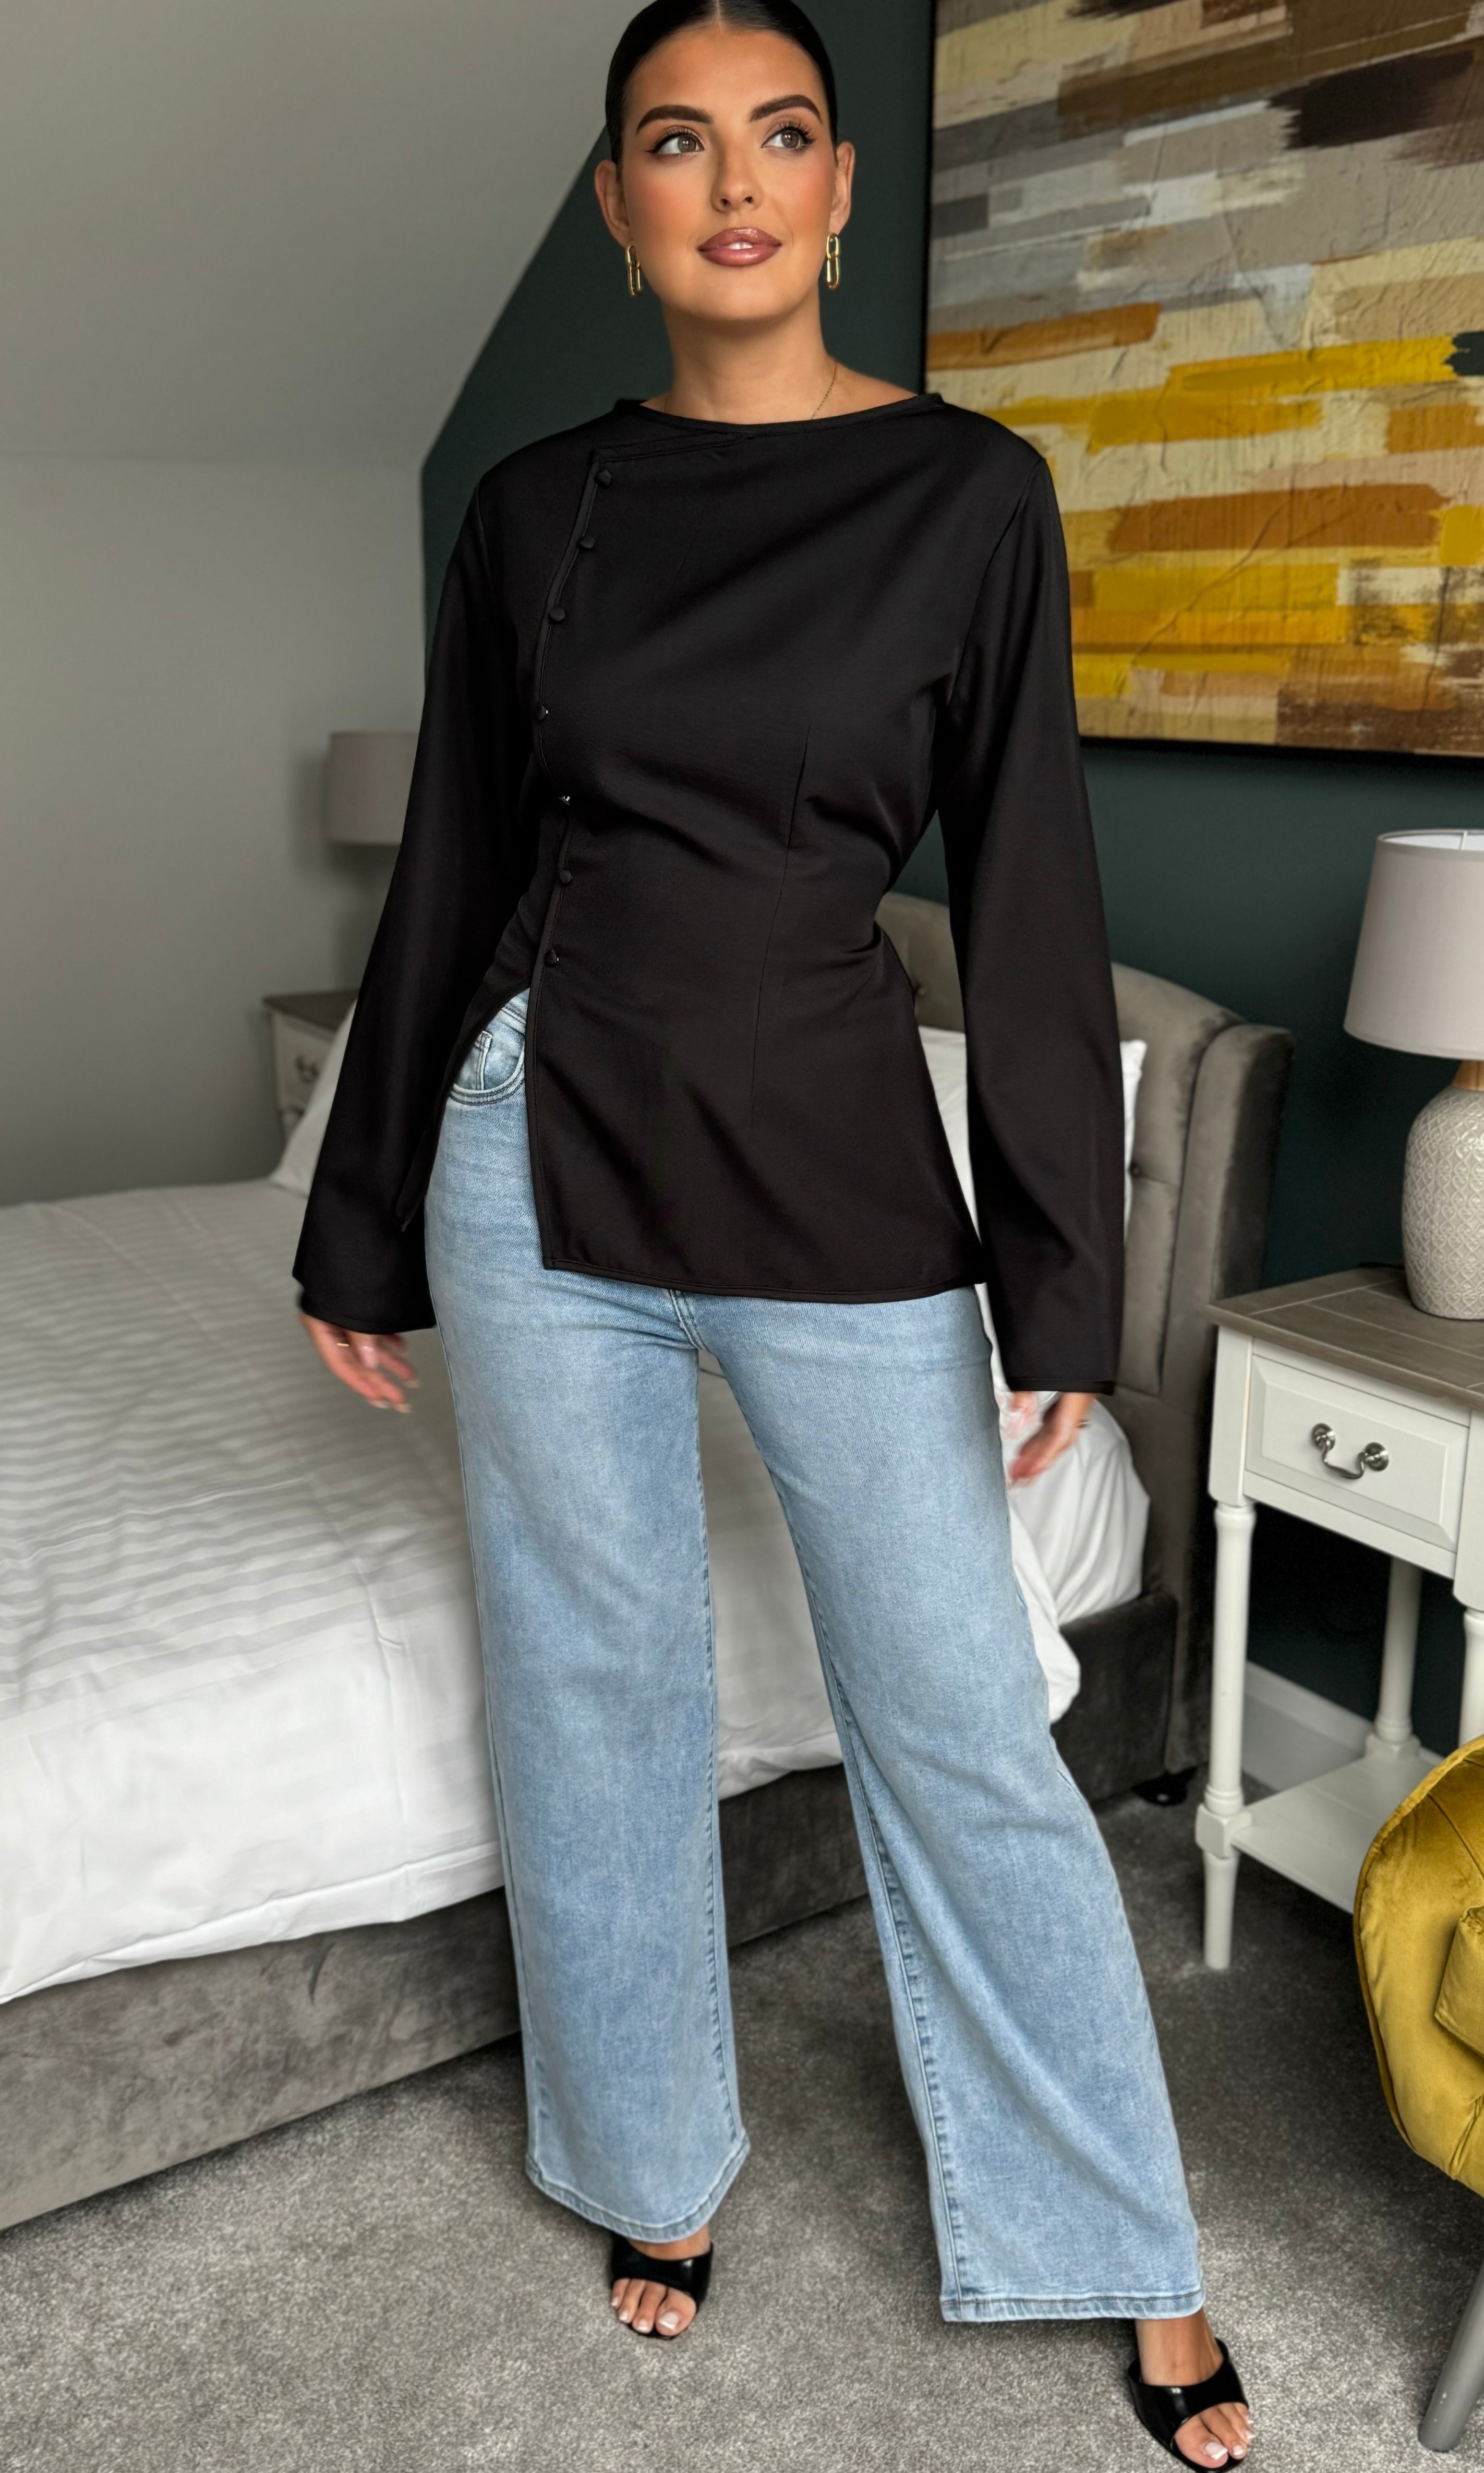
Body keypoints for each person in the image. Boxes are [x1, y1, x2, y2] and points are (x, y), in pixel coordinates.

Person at [294, 3, 1252, 2460]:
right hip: (536, 1154)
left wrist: (1054, 1275)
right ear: (619, 210)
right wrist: (360, 1219)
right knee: (589, 1689)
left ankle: (1119, 2242)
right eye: (675, 142)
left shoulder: (968, 498)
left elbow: (1029, 900)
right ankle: (655, 2167)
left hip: (831, 1168)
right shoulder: (534, 509)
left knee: (957, 1711)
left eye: (781, 135)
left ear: (836, 196)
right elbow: (455, 872)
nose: (732, 181)